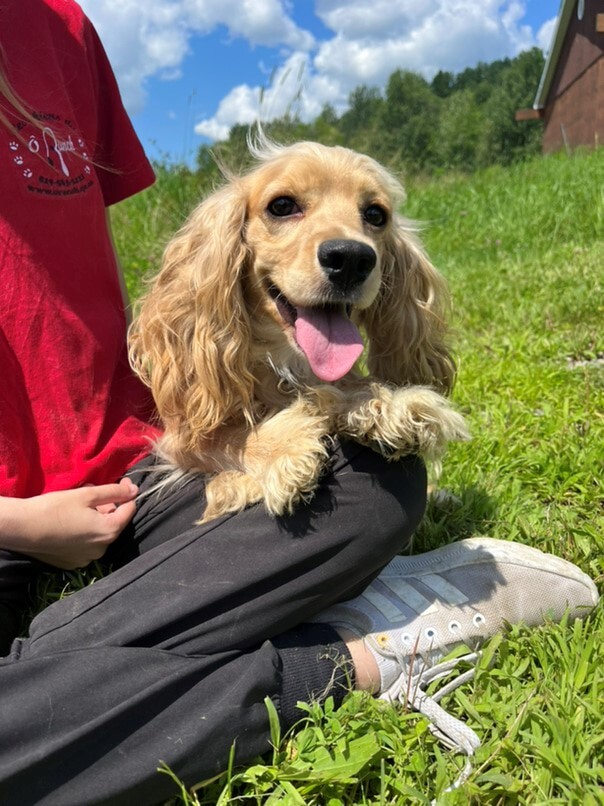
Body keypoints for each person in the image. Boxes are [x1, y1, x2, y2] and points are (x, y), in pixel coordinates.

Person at [0, 1, 599, 804]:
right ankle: (352, 653)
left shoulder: (58, 26)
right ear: (235, 237)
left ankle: (62, 677)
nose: (344, 240)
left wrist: (326, 411)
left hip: (118, 481)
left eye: (371, 220)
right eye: (285, 208)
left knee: (377, 484)